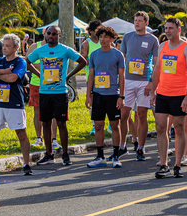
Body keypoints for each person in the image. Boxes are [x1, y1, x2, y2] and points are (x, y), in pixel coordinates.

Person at [26, 26, 87, 166]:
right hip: (44, 92)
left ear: (59, 35)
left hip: (60, 92)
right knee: (46, 123)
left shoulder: (65, 50)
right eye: (49, 33)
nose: (51, 36)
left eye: (54, 34)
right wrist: (39, 75)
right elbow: (27, 62)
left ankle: (65, 154)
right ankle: (49, 155)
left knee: (61, 124)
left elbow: (83, 61)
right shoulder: (40, 50)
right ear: (45, 35)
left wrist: (68, 76)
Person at [150, 17, 187, 178]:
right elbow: (157, 70)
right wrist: (153, 91)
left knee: (179, 128)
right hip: (163, 93)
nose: (167, 31)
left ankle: (177, 164)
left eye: (170, 28)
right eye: (166, 28)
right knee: (160, 127)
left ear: (178, 30)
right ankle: (164, 164)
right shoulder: (162, 46)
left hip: (180, 94)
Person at [119, 12, 160, 161]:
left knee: (142, 115)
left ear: (146, 23)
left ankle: (141, 148)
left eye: (140, 21)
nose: (137, 23)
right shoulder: (127, 37)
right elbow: (121, 58)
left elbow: (157, 63)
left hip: (144, 82)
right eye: (135, 20)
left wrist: (151, 82)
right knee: (124, 115)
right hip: (128, 81)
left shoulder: (153, 40)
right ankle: (122, 146)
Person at [0, 34, 32, 176]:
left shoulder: (20, 62)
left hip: (14, 103)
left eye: (7, 46)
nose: (4, 48)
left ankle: (26, 163)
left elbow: (13, 78)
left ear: (16, 47)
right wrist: (3, 72)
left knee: (21, 133)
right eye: (3, 45)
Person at [86, 25, 126, 168]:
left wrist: (121, 96)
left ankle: (116, 155)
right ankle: (100, 156)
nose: (102, 39)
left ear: (111, 38)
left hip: (113, 94)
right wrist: (88, 95)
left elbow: (122, 76)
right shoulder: (94, 55)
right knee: (98, 125)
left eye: (106, 37)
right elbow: (91, 75)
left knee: (115, 125)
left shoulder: (118, 55)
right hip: (98, 95)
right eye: (101, 37)